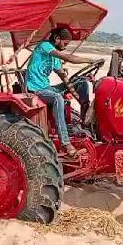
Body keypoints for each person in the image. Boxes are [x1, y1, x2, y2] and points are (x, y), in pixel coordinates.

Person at [26, 27, 102, 158]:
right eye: (65, 44)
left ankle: (86, 117)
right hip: (36, 89)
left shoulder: (54, 57)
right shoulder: (45, 46)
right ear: (56, 39)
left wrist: (74, 88)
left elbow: (64, 77)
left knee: (81, 82)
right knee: (57, 98)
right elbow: (67, 57)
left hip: (47, 87)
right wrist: (89, 60)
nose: (65, 47)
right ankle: (66, 144)